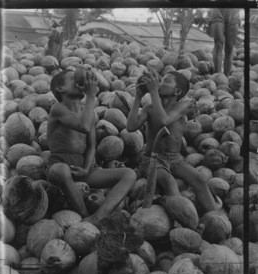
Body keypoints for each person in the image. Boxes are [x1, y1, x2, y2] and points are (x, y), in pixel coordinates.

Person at [47, 68, 137, 224]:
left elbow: (90, 146)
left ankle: (99, 216)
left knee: (129, 174)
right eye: (73, 78)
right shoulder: (58, 108)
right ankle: (83, 215)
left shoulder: (91, 113)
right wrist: (90, 95)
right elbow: (83, 126)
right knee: (61, 171)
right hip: (60, 163)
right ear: (60, 89)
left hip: (85, 168)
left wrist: (87, 168)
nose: (79, 80)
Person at [126, 70, 218, 213]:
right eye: (161, 80)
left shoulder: (183, 106)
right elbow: (131, 127)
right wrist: (138, 98)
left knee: (199, 179)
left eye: (167, 81)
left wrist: (153, 91)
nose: (161, 83)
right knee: (169, 182)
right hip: (152, 159)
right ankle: (182, 220)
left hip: (175, 158)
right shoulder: (149, 108)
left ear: (177, 91)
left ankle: (216, 216)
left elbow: (165, 120)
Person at [209, 8, 240, 76]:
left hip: (234, 11)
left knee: (230, 47)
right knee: (218, 44)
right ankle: (217, 77)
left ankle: (226, 78)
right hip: (218, 10)